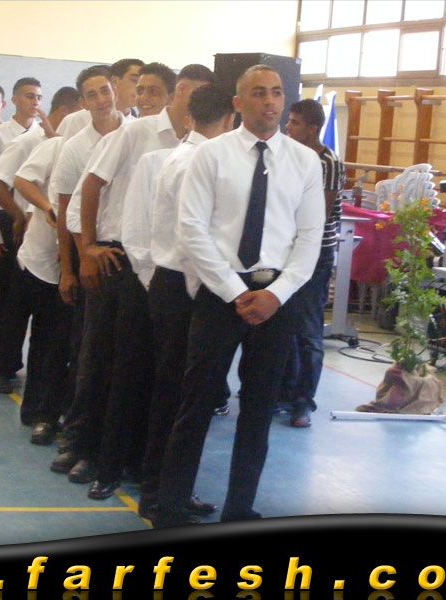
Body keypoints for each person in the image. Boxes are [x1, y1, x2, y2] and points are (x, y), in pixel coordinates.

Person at [153, 65, 325, 527]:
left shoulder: (304, 162)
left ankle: (239, 509)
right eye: (259, 93)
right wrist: (234, 292)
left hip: (277, 299)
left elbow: (309, 238)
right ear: (238, 102)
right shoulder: (211, 156)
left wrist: (276, 294)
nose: (270, 101)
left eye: (277, 93)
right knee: (196, 401)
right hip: (220, 293)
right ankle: (170, 506)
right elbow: (192, 230)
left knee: (259, 406)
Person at [83, 64, 214, 500]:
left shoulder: (214, 152)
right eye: (192, 94)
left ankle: (152, 471)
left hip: (192, 283)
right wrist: (146, 275)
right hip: (143, 274)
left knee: (170, 383)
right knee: (125, 372)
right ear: (181, 92)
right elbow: (134, 223)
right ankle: (107, 465)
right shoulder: (143, 142)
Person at [137, 83, 236, 521]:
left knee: (173, 393)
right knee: (180, 397)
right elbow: (195, 238)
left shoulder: (182, 154)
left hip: (171, 281)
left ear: (191, 116)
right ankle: (163, 496)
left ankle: (164, 490)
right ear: (230, 120)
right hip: (185, 285)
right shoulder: (201, 159)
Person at [48, 65, 128, 466]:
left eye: (105, 91)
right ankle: (75, 435)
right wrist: (71, 266)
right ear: (83, 102)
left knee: (122, 356)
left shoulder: (135, 133)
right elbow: (67, 212)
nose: (101, 100)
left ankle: (112, 443)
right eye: (92, 94)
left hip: (131, 257)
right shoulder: (75, 146)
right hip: (92, 255)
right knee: (87, 352)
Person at [0, 86, 82, 393]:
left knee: (50, 320)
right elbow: (5, 180)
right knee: (15, 310)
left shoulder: (84, 147)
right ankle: (1, 367)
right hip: (32, 238)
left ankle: (42, 378)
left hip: (62, 244)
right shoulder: (40, 143)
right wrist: (23, 215)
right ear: (69, 113)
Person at [280, 99, 346, 427]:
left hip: (315, 254)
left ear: (313, 128)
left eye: (294, 123)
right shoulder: (287, 156)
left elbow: (318, 212)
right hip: (285, 251)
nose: (288, 128)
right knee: (283, 327)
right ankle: (283, 392)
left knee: (307, 329)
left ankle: (303, 401)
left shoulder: (327, 163)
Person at [0, 76, 44, 357]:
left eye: (39, 97)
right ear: (14, 100)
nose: (35, 102)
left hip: (35, 221)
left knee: (27, 289)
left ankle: (9, 349)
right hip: (9, 218)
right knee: (3, 289)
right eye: (29, 96)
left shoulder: (43, 134)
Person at [55, 58, 144, 140]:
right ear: (115, 81)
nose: (139, 88)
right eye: (135, 80)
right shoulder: (76, 120)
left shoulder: (138, 126)